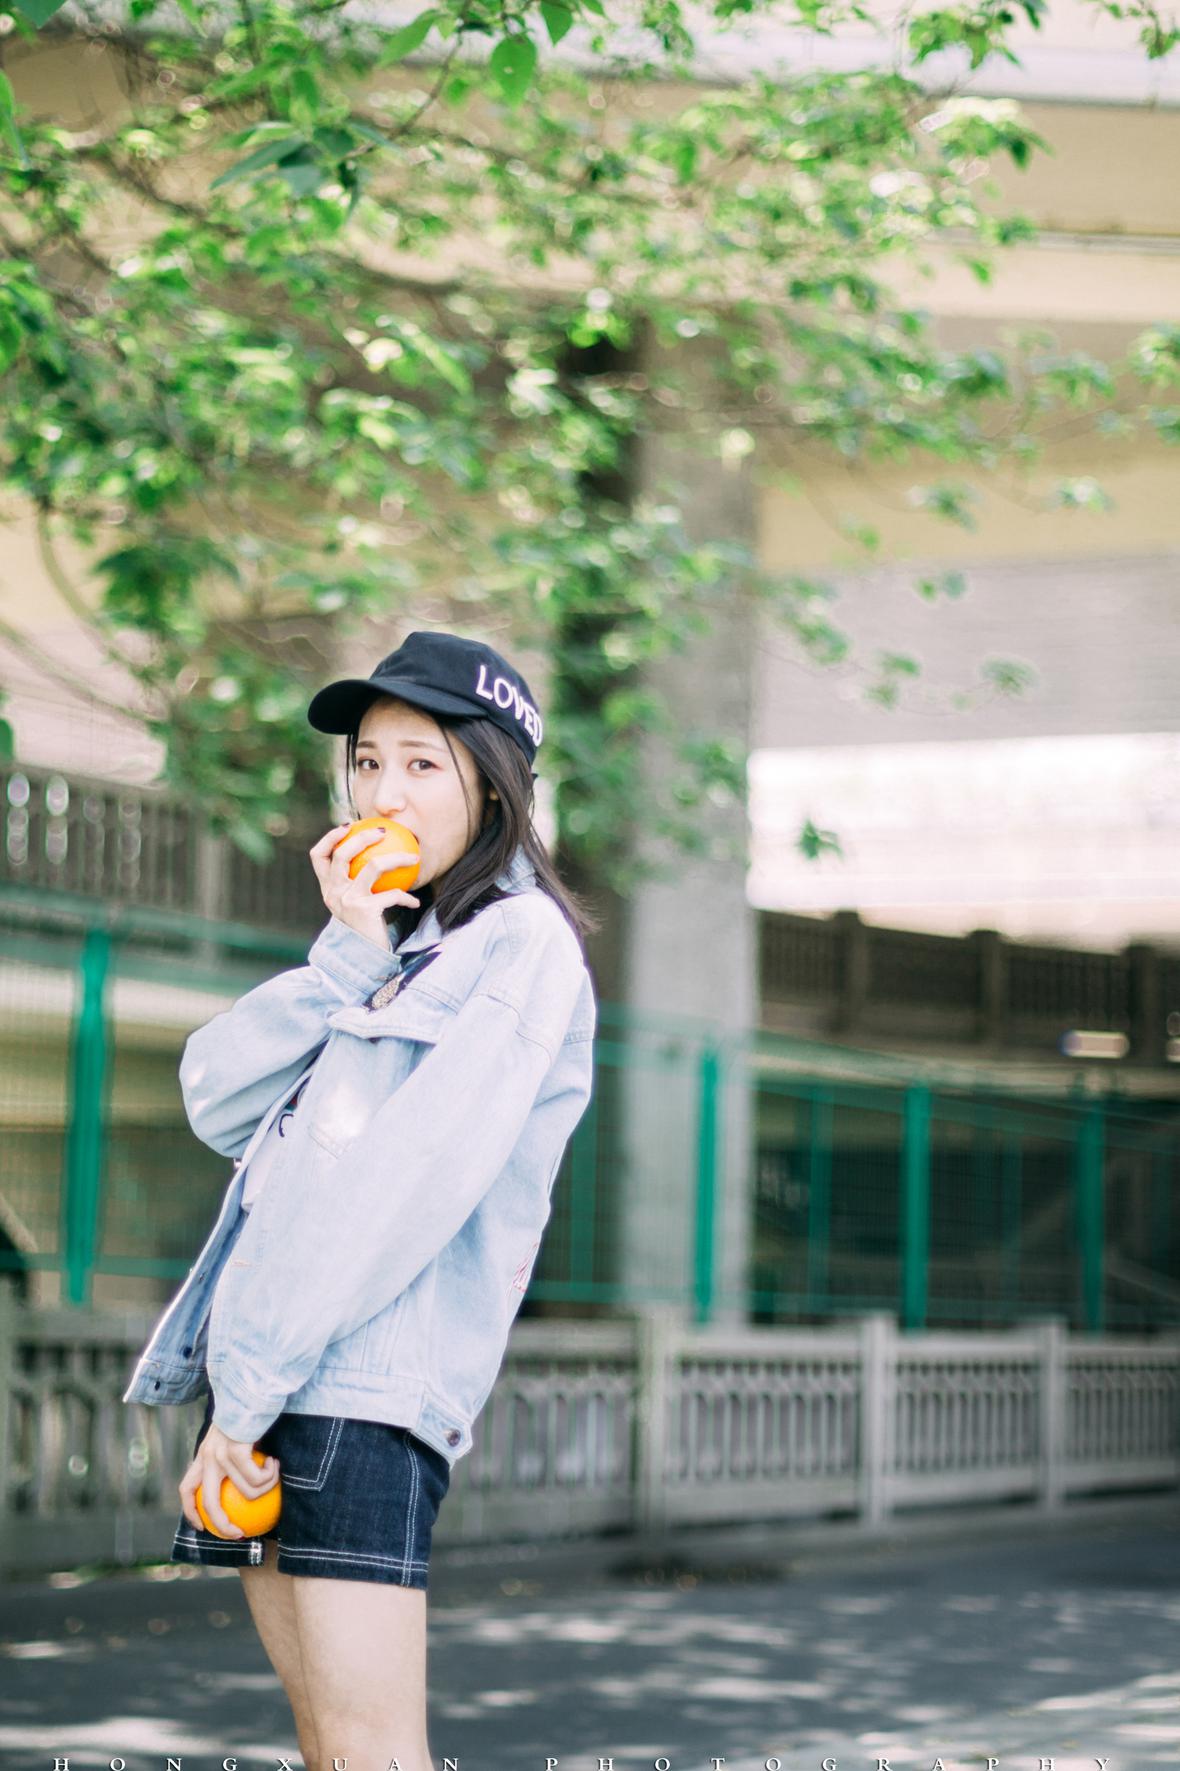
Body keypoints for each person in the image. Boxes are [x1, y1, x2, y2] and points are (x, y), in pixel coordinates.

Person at [122, 630, 598, 1771]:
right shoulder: (396, 948)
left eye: (422, 764)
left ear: (495, 785)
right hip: (277, 1381)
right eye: (368, 762)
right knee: (328, 1749)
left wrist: (243, 1401)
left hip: (354, 1397)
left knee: (370, 1750)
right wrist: (349, 950)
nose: (384, 792)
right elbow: (217, 1096)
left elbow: (399, 1189)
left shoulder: (520, 945)